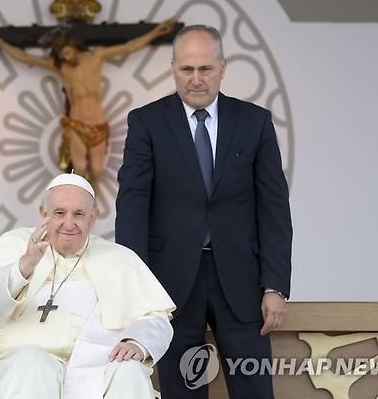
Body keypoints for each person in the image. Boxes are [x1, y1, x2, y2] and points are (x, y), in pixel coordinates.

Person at [115, 25, 293, 398]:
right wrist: (137, 290)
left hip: (243, 282)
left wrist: (275, 285)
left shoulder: (254, 122)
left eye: (206, 69)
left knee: (255, 390)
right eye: (187, 69)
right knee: (183, 391)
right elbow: (132, 207)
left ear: (223, 67)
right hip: (171, 284)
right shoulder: (146, 122)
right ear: (173, 68)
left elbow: (273, 208)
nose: (196, 79)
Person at [0, 173, 176, 399]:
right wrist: (26, 264)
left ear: (93, 217)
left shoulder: (120, 258)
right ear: (43, 213)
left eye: (79, 214)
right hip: (24, 362)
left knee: (130, 372)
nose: (69, 223)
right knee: (33, 363)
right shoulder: (16, 244)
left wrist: (137, 342)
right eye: (59, 213)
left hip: (100, 368)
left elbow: (156, 317)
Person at [0, 20, 175, 193]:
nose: (67, 58)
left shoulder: (96, 57)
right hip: (76, 124)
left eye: (68, 52)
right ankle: (80, 199)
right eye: (62, 55)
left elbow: (129, 47)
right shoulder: (62, 67)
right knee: (79, 168)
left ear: (75, 47)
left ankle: (92, 194)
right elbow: (26, 58)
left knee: (97, 170)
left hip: (98, 124)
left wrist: (156, 31)